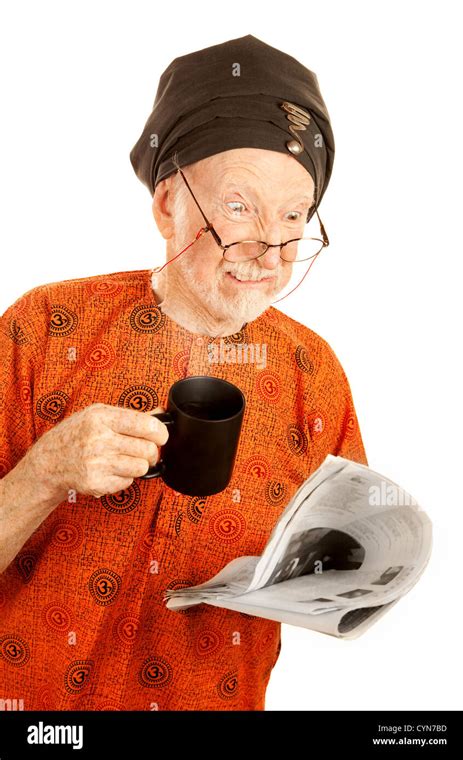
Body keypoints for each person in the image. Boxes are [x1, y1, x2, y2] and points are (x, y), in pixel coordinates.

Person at [0, 34, 368, 711]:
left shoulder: (313, 373)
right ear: (167, 203)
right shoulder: (40, 329)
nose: (270, 252)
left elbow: (345, 569)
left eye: (294, 217)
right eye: (239, 207)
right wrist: (44, 473)